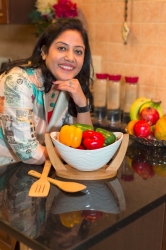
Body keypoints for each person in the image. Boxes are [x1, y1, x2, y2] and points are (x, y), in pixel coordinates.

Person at [0, 18, 93, 166]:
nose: (70, 57)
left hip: (29, 172)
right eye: (62, 48)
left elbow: (83, 140)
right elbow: (27, 152)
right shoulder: (17, 81)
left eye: (78, 51)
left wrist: (82, 104)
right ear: (44, 52)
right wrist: (74, 155)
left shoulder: (69, 87)